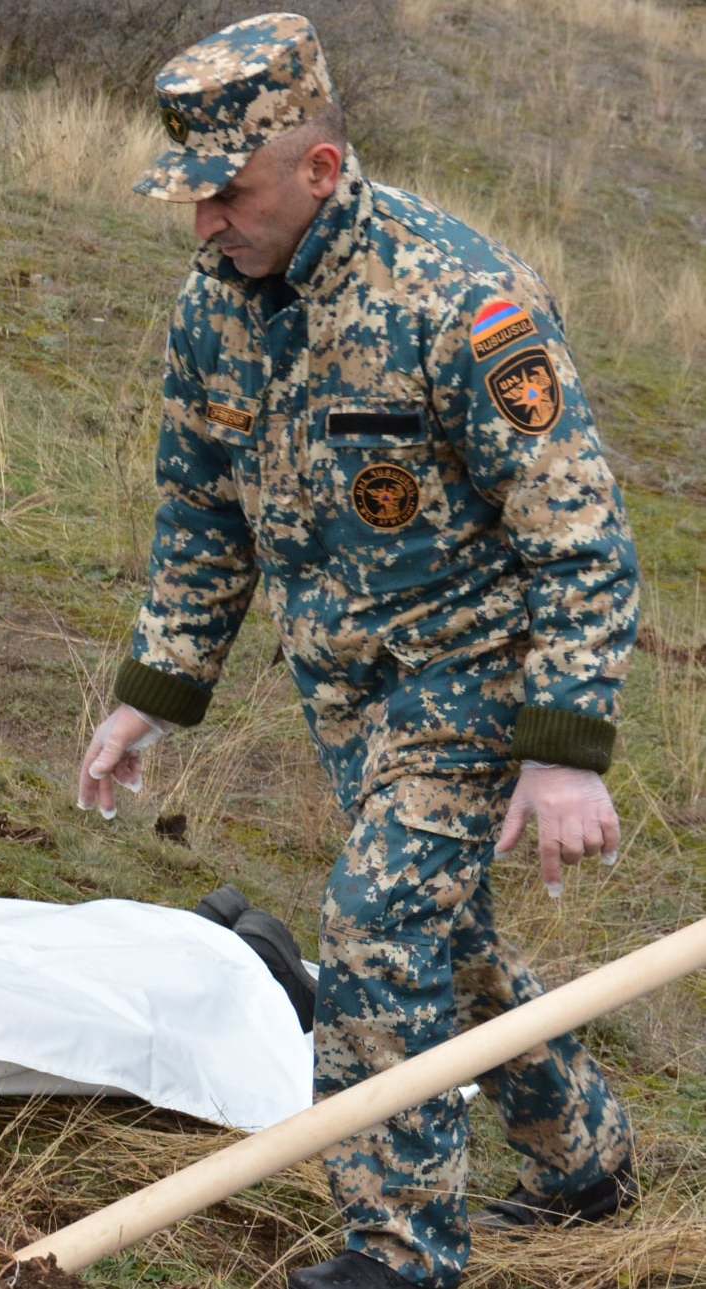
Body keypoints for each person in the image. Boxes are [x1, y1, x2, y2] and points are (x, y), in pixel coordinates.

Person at [74, 15, 638, 1288]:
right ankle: (586, 1158)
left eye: (227, 192)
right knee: (444, 937)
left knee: (378, 929)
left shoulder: (460, 301)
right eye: (191, 197)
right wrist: (150, 693)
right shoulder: (215, 306)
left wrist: (562, 753)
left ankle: (399, 1254)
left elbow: (581, 536)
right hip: (345, 682)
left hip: (476, 670)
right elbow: (199, 512)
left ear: (320, 169)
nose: (205, 223)